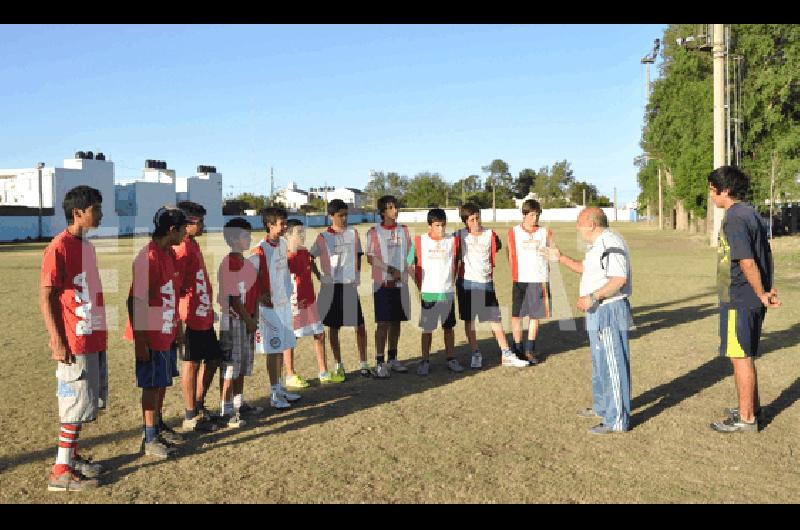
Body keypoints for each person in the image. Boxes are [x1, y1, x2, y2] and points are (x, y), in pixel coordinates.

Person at [40, 186, 108, 491]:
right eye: (96, 208)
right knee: (72, 403)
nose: (101, 213)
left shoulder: (87, 247)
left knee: (83, 404)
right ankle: (61, 472)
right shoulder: (59, 247)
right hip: (73, 340)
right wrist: (57, 340)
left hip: (91, 336)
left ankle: (73, 457)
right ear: (77, 212)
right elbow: (46, 296)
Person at [546, 207, 633, 435]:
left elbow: (619, 278)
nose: (577, 227)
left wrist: (593, 297)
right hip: (596, 310)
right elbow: (587, 269)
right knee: (600, 361)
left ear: (592, 223)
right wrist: (561, 258)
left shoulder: (611, 242)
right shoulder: (597, 245)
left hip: (609, 309)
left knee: (613, 364)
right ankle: (603, 408)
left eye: (579, 222)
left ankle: (616, 420)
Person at [707, 166, 780, 433]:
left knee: (740, 358)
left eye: (712, 190)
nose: (710, 195)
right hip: (746, 297)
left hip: (740, 298)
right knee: (744, 355)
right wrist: (766, 291)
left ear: (724, 190)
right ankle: (751, 407)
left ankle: (747, 418)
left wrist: (761, 293)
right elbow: (765, 255)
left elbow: (748, 260)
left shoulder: (736, 218)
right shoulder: (751, 213)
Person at [125, 207, 188, 457]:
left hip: (166, 331)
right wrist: (141, 341)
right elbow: (134, 301)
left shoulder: (169, 254)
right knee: (151, 386)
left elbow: (171, 293)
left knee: (161, 383)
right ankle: (149, 437)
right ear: (172, 230)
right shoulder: (147, 257)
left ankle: (158, 425)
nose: (185, 233)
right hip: (151, 334)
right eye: (183, 228)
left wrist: (178, 328)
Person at [455, 203, 523, 369]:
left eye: (477, 217)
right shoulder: (458, 236)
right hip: (467, 283)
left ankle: (506, 353)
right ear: (465, 221)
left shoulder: (491, 235)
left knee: (494, 319)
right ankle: (475, 353)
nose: (476, 222)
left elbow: (497, 248)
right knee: (470, 321)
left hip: (486, 283)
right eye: (472, 219)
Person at [174, 201, 222, 432]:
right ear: (187, 224)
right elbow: (176, 285)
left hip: (203, 313)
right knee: (191, 363)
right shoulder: (182, 247)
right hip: (190, 315)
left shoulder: (192, 244)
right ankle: (190, 414)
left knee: (213, 359)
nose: (204, 226)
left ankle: (199, 403)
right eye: (200, 222)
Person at [310, 199, 370, 378]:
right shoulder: (323, 237)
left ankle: (363, 363)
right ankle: (338, 364)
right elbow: (309, 258)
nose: (344, 219)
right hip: (331, 289)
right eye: (340, 215)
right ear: (331, 216)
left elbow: (358, 256)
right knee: (333, 328)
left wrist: (357, 275)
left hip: (349, 286)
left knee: (359, 326)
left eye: (346, 215)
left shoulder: (354, 233)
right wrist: (320, 276)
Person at [250, 207, 301, 409]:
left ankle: (280, 388)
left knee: (281, 348)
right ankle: (273, 394)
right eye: (281, 222)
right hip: (268, 310)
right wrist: (259, 297)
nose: (285, 226)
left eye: (285, 222)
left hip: (283, 306)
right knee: (273, 350)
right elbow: (249, 278)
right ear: (270, 224)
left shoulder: (282, 244)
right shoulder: (259, 249)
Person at [284, 218, 344, 387]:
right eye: (298, 232)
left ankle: (323, 372)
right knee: (291, 338)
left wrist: (320, 277)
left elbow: (311, 266)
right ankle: (290, 374)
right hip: (295, 302)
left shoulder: (304, 252)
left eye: (303, 232)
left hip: (310, 300)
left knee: (319, 334)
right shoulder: (285, 256)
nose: (302, 235)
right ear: (287, 234)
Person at [406, 208, 465, 375]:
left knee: (449, 328)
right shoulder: (419, 241)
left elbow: (459, 261)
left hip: (447, 292)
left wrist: (452, 281)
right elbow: (409, 263)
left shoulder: (453, 241)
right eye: (437, 225)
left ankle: (451, 358)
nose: (441, 229)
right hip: (428, 293)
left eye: (443, 225)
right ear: (430, 225)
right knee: (427, 329)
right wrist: (419, 283)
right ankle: (424, 360)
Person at [217, 218, 262, 428]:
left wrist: (255, 317)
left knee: (243, 365)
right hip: (235, 320)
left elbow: (254, 293)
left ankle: (238, 403)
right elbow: (234, 298)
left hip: (248, 320)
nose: (250, 239)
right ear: (234, 239)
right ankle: (225, 409)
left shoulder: (247, 263)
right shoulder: (229, 263)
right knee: (231, 366)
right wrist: (248, 319)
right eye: (245, 235)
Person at [366, 195, 412, 378]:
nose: (396, 210)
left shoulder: (404, 230)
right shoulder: (373, 232)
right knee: (383, 323)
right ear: (383, 211)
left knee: (396, 322)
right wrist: (390, 269)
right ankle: (379, 362)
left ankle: (393, 358)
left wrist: (407, 269)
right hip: (382, 284)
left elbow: (410, 252)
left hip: (401, 284)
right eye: (391, 208)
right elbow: (370, 258)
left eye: (396, 207)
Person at [507, 199, 553, 365]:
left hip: (539, 279)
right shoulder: (513, 232)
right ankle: (517, 348)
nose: (535, 218)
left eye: (538, 214)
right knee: (516, 316)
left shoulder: (545, 232)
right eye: (532, 214)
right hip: (520, 279)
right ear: (524, 214)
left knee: (535, 316)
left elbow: (551, 253)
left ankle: (529, 349)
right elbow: (510, 254)